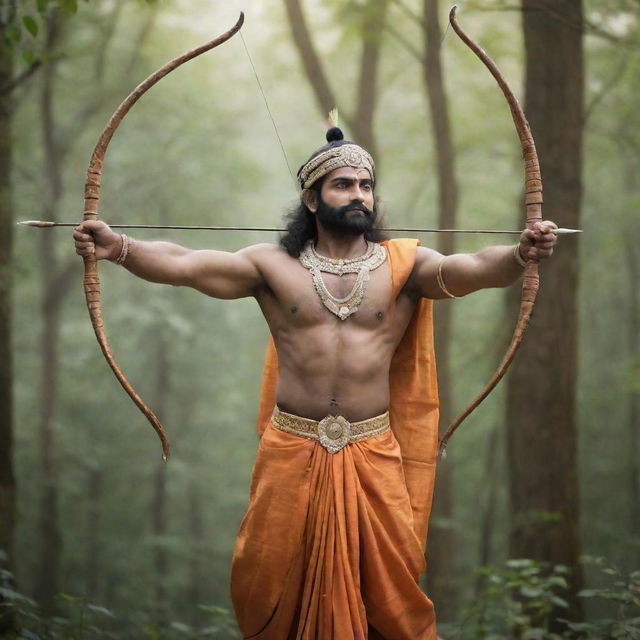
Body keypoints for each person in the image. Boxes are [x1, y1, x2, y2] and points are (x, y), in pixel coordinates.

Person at [73, 126, 557, 639]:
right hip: (291, 451)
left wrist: (519, 255)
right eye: (343, 185)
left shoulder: (405, 266)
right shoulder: (272, 266)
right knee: (269, 581)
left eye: (366, 185)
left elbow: (473, 268)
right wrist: (118, 246)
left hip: (373, 455)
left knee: (390, 598)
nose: (358, 195)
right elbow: (186, 265)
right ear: (311, 198)